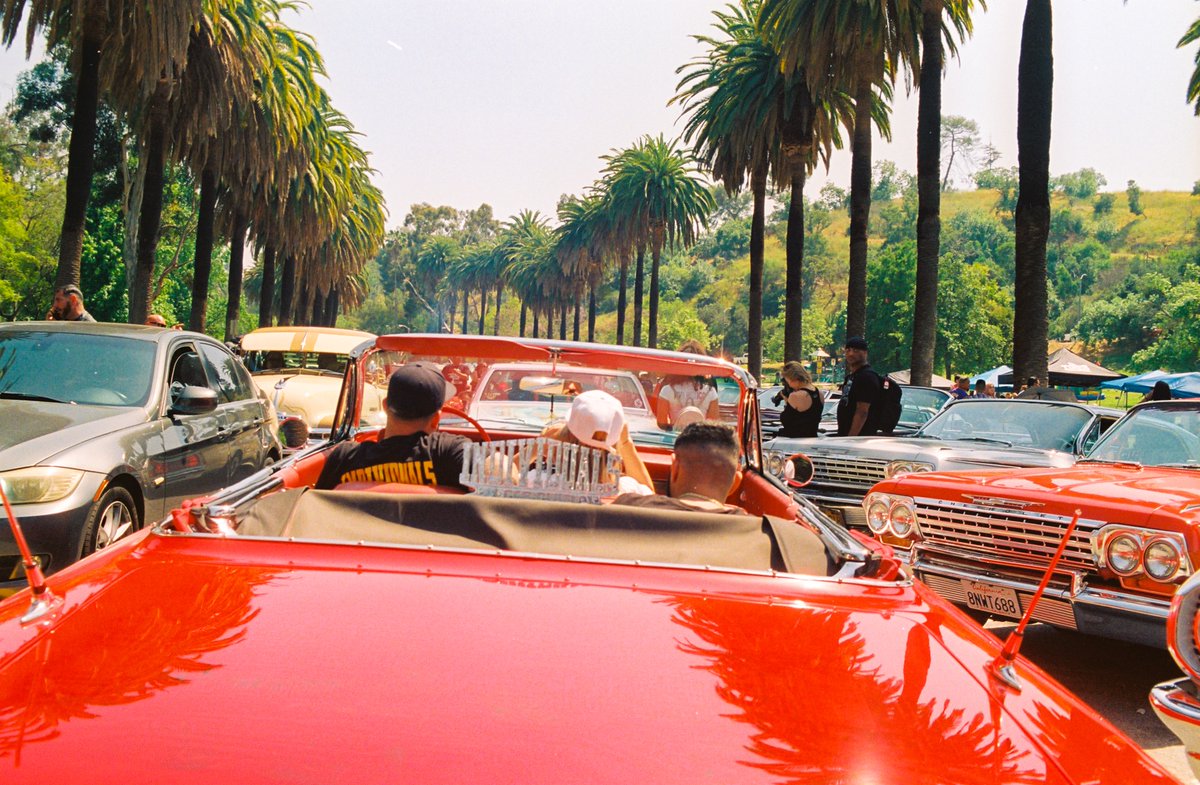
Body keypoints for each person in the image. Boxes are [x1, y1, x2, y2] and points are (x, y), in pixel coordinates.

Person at [315, 363, 469, 490]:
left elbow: (315, 510)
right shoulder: (450, 452)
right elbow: (490, 472)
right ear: (436, 419)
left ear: (385, 406)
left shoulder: (344, 457)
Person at [535, 389, 655, 496]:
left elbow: (515, 474)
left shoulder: (540, 483)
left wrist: (539, 445)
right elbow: (650, 496)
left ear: (565, 438)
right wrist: (626, 443)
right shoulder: (629, 490)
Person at [611, 422, 748, 514]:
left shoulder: (629, 509)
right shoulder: (758, 534)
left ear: (675, 469)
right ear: (735, 483)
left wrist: (624, 443)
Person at [656, 339, 720, 429]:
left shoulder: (667, 390)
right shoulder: (710, 391)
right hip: (701, 440)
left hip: (676, 439)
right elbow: (713, 424)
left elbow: (661, 423)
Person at [836, 336, 881, 437]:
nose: (851, 354)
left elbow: (862, 411)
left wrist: (851, 438)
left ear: (865, 353)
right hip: (844, 434)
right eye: (848, 350)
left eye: (856, 350)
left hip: (860, 438)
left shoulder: (867, 377)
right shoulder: (851, 377)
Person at [774, 361, 822, 438]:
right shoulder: (819, 393)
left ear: (793, 379)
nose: (788, 384)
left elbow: (789, 420)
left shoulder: (795, 396)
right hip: (812, 437)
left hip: (794, 440)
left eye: (787, 381)